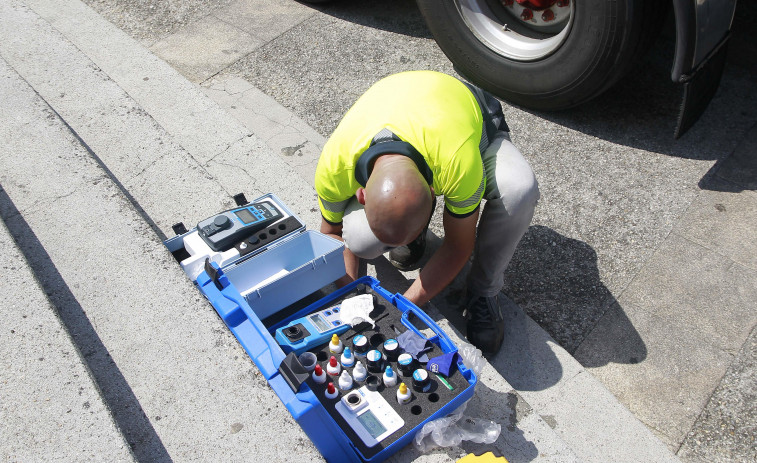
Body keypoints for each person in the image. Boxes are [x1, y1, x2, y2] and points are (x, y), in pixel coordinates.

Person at [315, 71, 539, 353]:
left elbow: (458, 245)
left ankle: (484, 291)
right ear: (361, 194)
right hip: (401, 102)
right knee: (360, 240)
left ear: (434, 192)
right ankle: (410, 230)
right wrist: (349, 293)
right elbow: (331, 235)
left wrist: (404, 306)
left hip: (466, 113)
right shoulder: (334, 166)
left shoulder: (459, 163)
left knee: (519, 189)